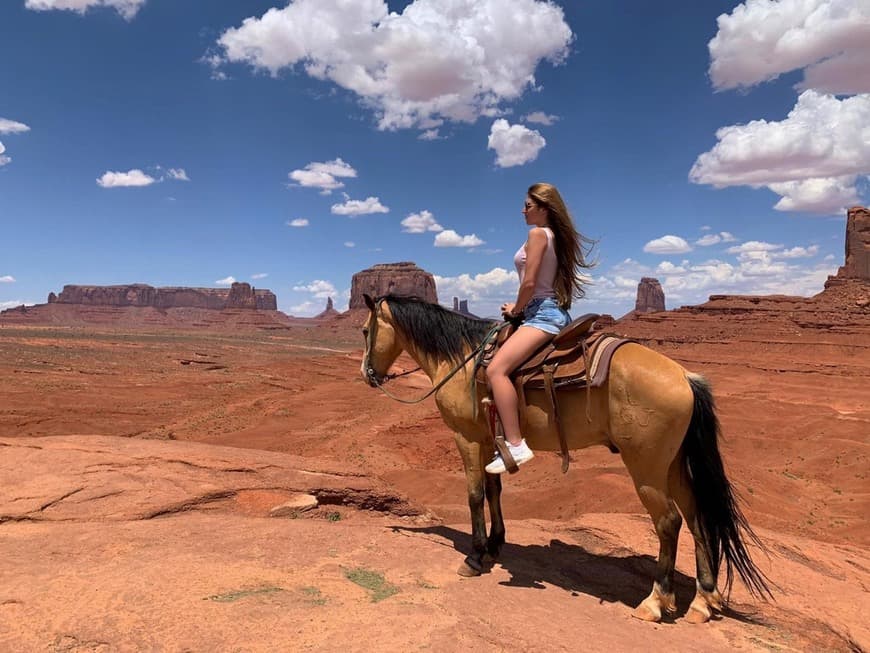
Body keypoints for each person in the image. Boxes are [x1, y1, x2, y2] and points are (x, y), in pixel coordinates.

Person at [485, 182, 595, 474]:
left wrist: (516, 310)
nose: (523, 211)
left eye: (528, 206)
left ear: (544, 208)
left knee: (495, 370)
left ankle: (515, 443)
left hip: (542, 315)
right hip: (547, 311)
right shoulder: (554, 236)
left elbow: (530, 283)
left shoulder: (537, 234)